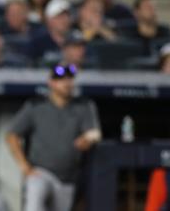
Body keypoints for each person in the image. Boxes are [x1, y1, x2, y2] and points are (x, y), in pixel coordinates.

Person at [7, 63, 101, 211]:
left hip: (68, 177)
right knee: (34, 203)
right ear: (51, 82)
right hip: (40, 172)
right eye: (61, 79)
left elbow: (93, 134)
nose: (67, 83)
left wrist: (87, 140)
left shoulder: (83, 105)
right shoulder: (36, 105)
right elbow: (12, 135)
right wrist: (25, 167)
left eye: (69, 79)